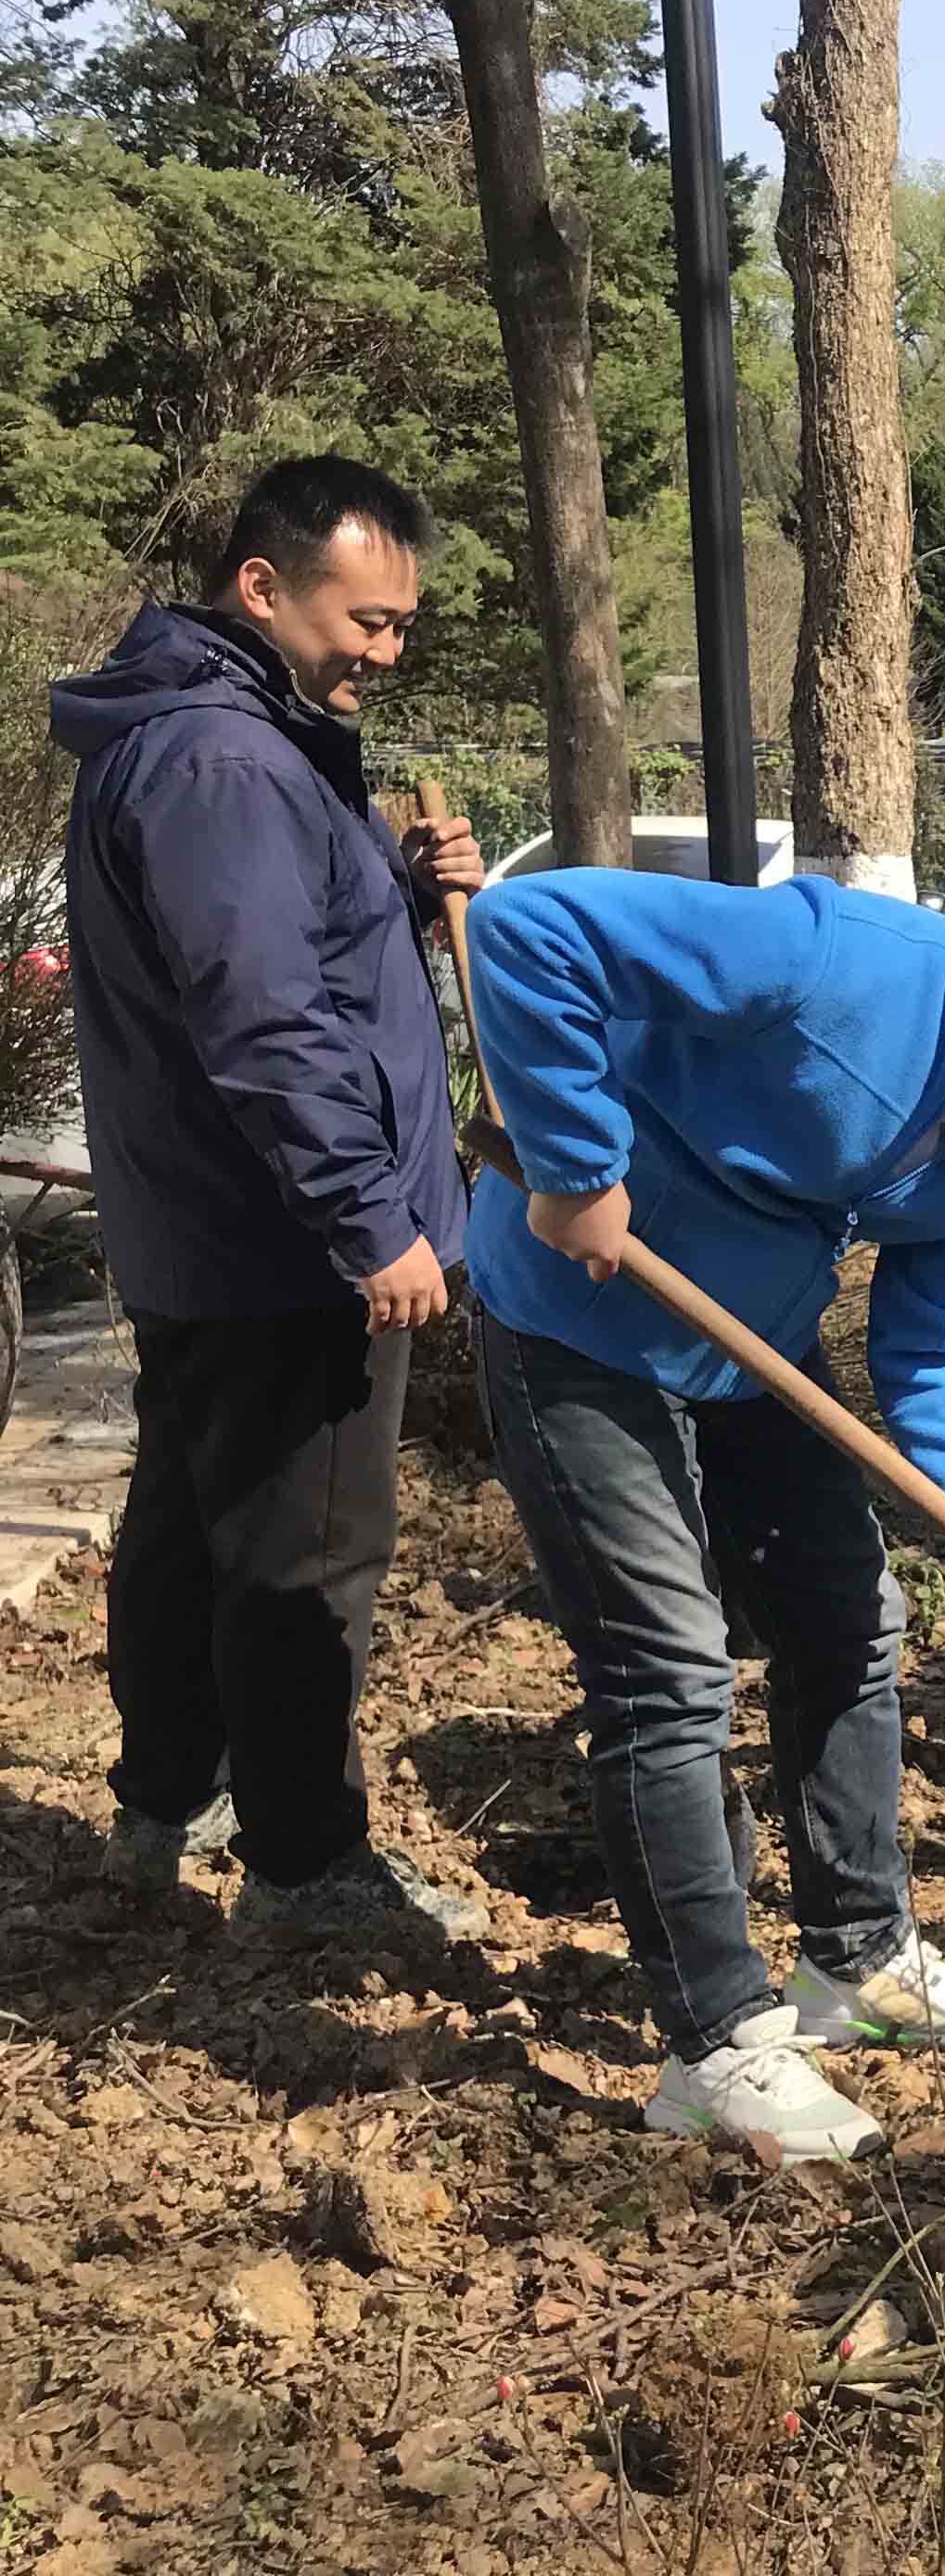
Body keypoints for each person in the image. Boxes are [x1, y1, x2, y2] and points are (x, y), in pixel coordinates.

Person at [465, 873, 945, 2165]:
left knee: (853, 1621)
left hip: (752, 1339)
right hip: (579, 1321)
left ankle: (858, 1963)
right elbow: (526, 930)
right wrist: (577, 1161)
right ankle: (716, 2045)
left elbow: (941, 1332)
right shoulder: (834, 959)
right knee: (667, 1670)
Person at [55, 456, 494, 1942]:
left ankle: (158, 1809)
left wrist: (385, 867)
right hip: (285, 1243)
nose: (382, 651)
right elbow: (264, 1015)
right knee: (309, 1558)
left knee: (188, 1529)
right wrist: (372, 1217)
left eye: (398, 627)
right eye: (363, 620)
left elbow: (277, 937)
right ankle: (308, 1868)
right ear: (262, 587)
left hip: (205, 1233)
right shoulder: (228, 765)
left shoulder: (220, 746)